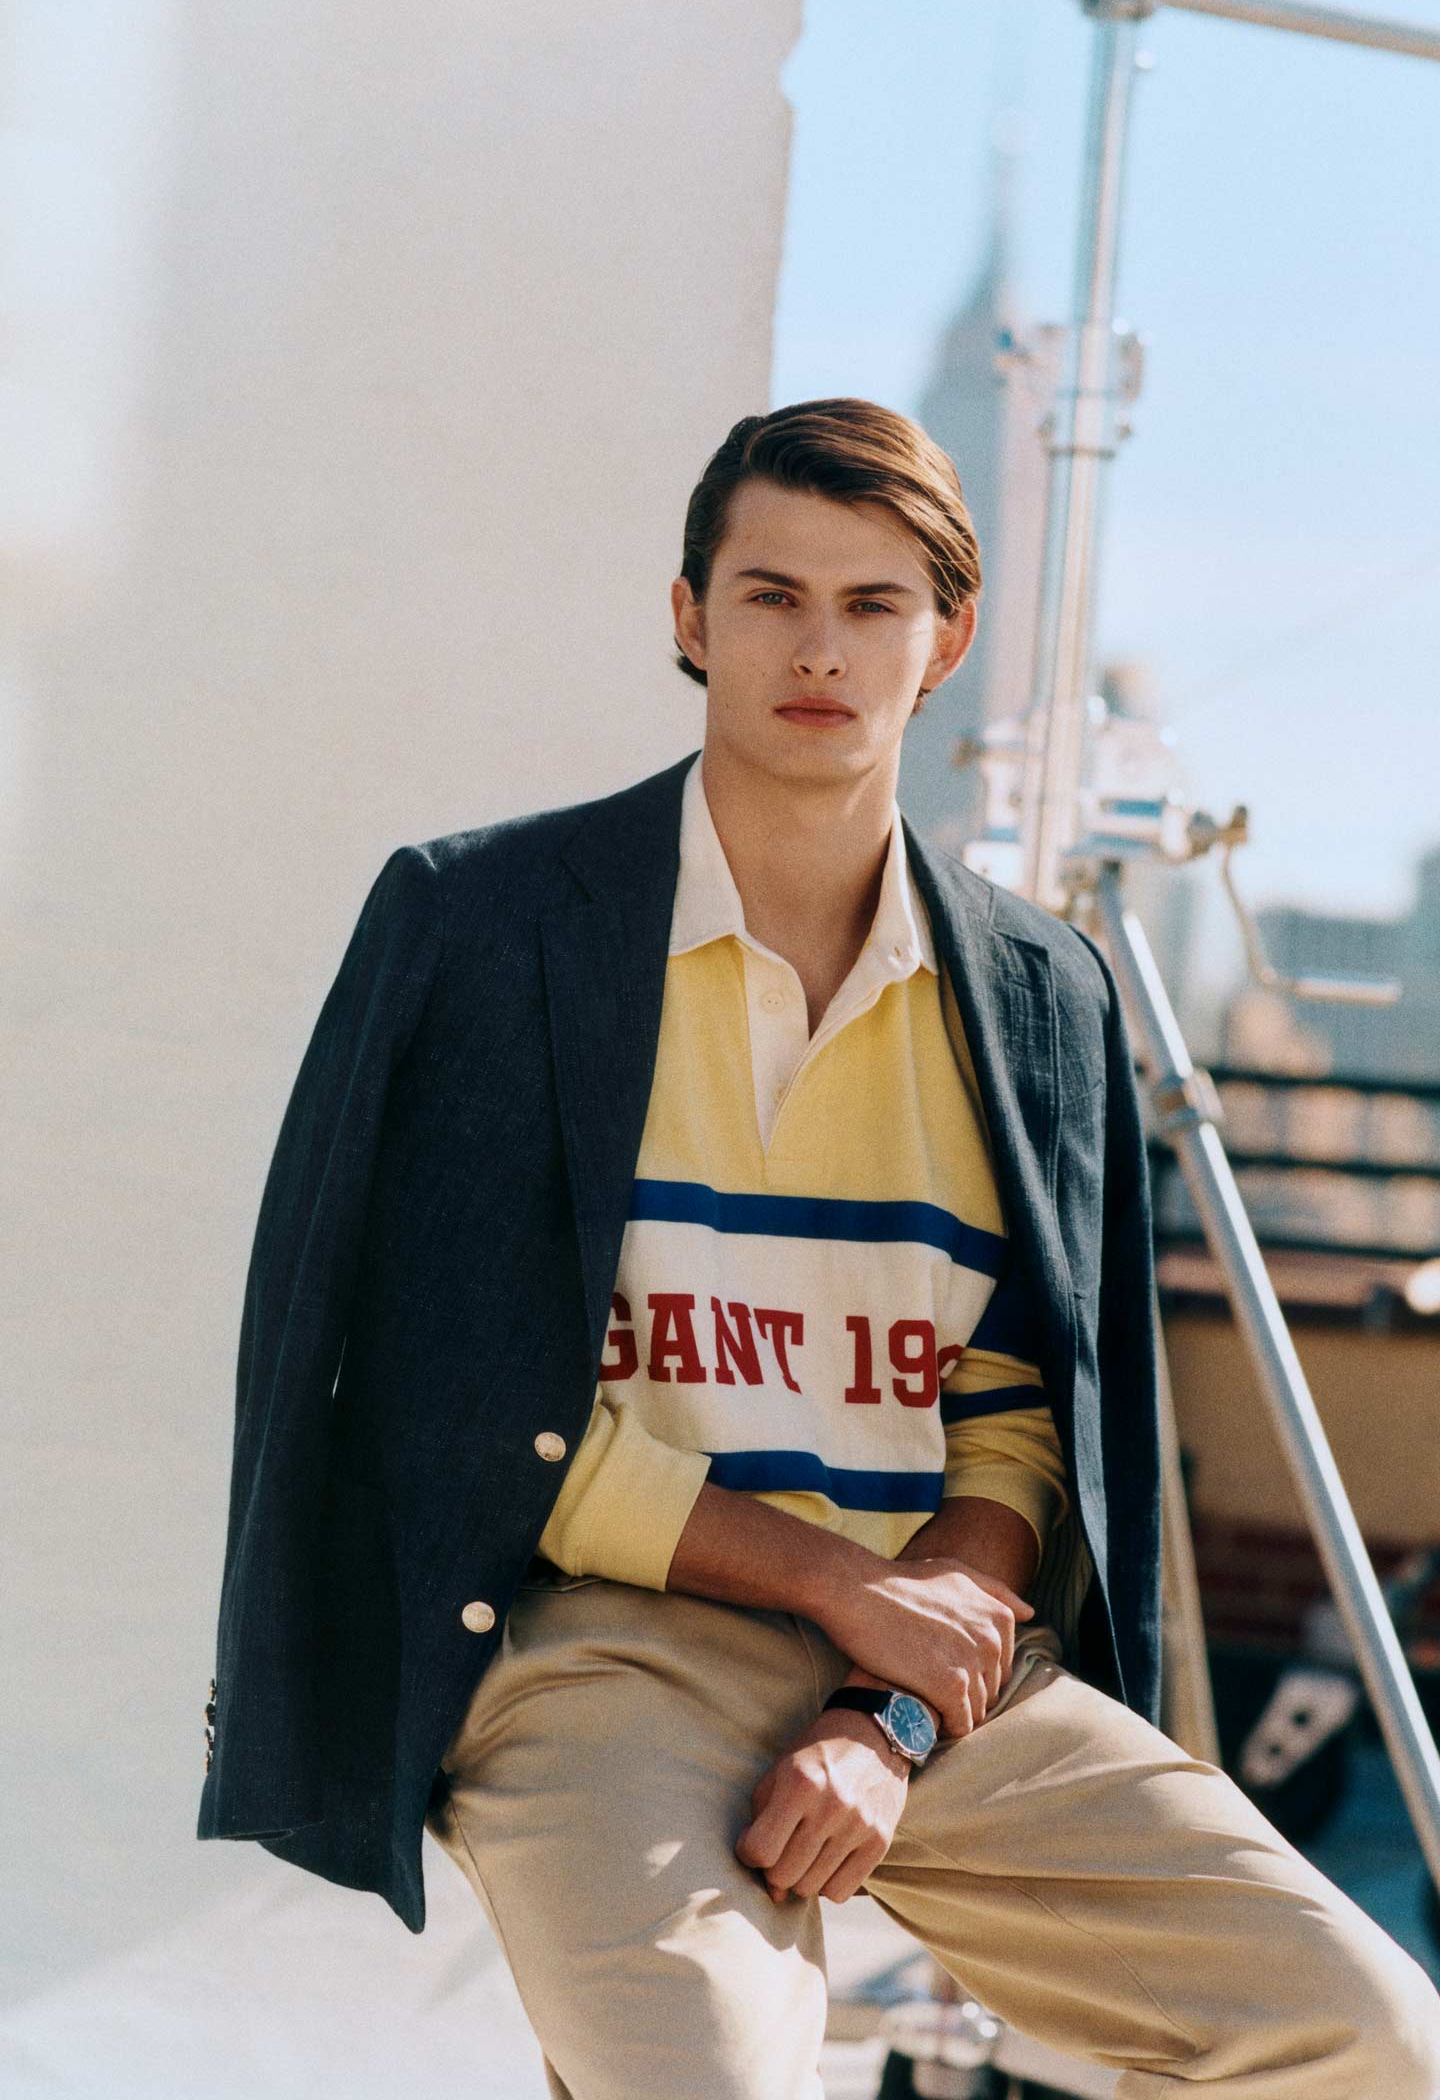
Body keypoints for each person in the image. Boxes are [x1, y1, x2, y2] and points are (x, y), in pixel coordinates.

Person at [199, 400, 1440, 2097]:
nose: (820, 650)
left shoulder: (1034, 989)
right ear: (690, 616)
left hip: (933, 1678)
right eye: (772, 596)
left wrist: (895, 1707)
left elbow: (1020, 1415)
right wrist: (838, 1586)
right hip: (595, 1645)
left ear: (948, 641)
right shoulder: (487, 927)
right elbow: (449, 1411)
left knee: (1373, 2040)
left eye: (873, 605)